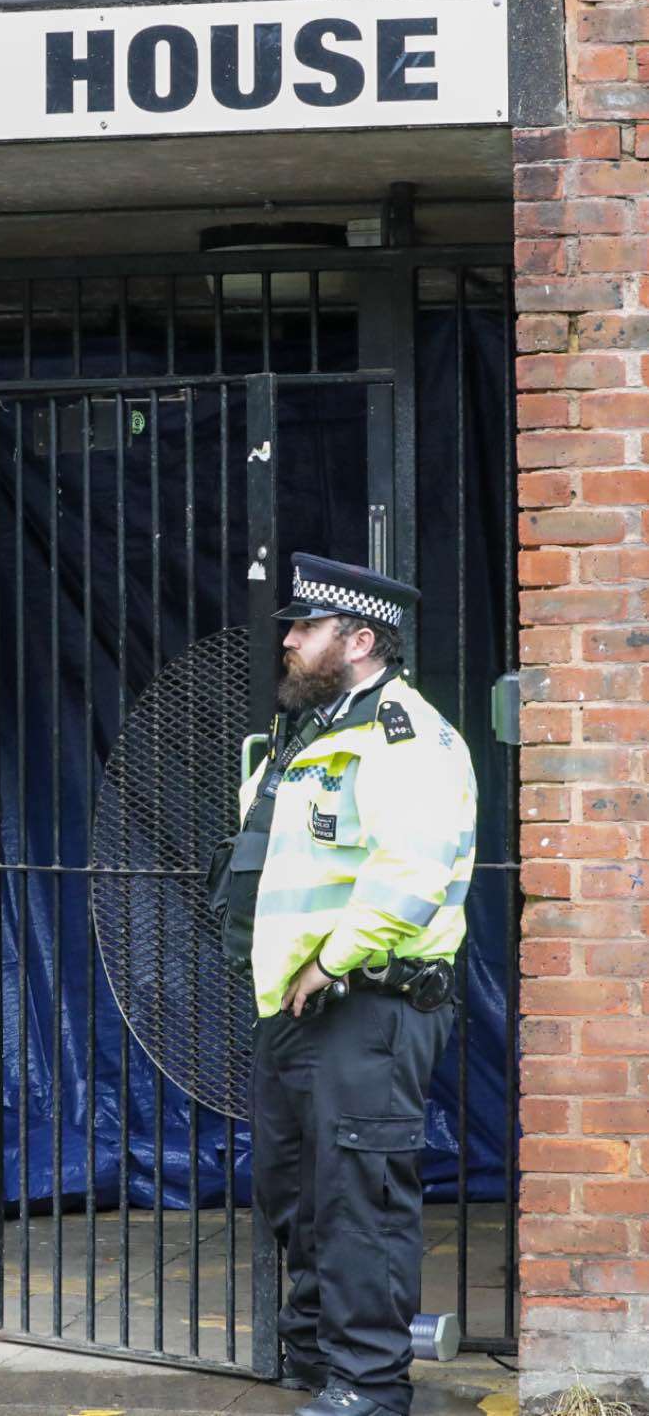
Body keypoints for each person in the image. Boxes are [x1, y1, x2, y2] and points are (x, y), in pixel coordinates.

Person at [233, 554, 476, 1416]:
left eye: (305, 627)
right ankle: (318, 1356)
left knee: (359, 1197)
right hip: (296, 1006)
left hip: (366, 1003)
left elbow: (411, 875)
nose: (290, 640)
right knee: (294, 1191)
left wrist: (329, 962)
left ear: (360, 638)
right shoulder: (308, 735)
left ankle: (369, 1385)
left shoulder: (408, 737)